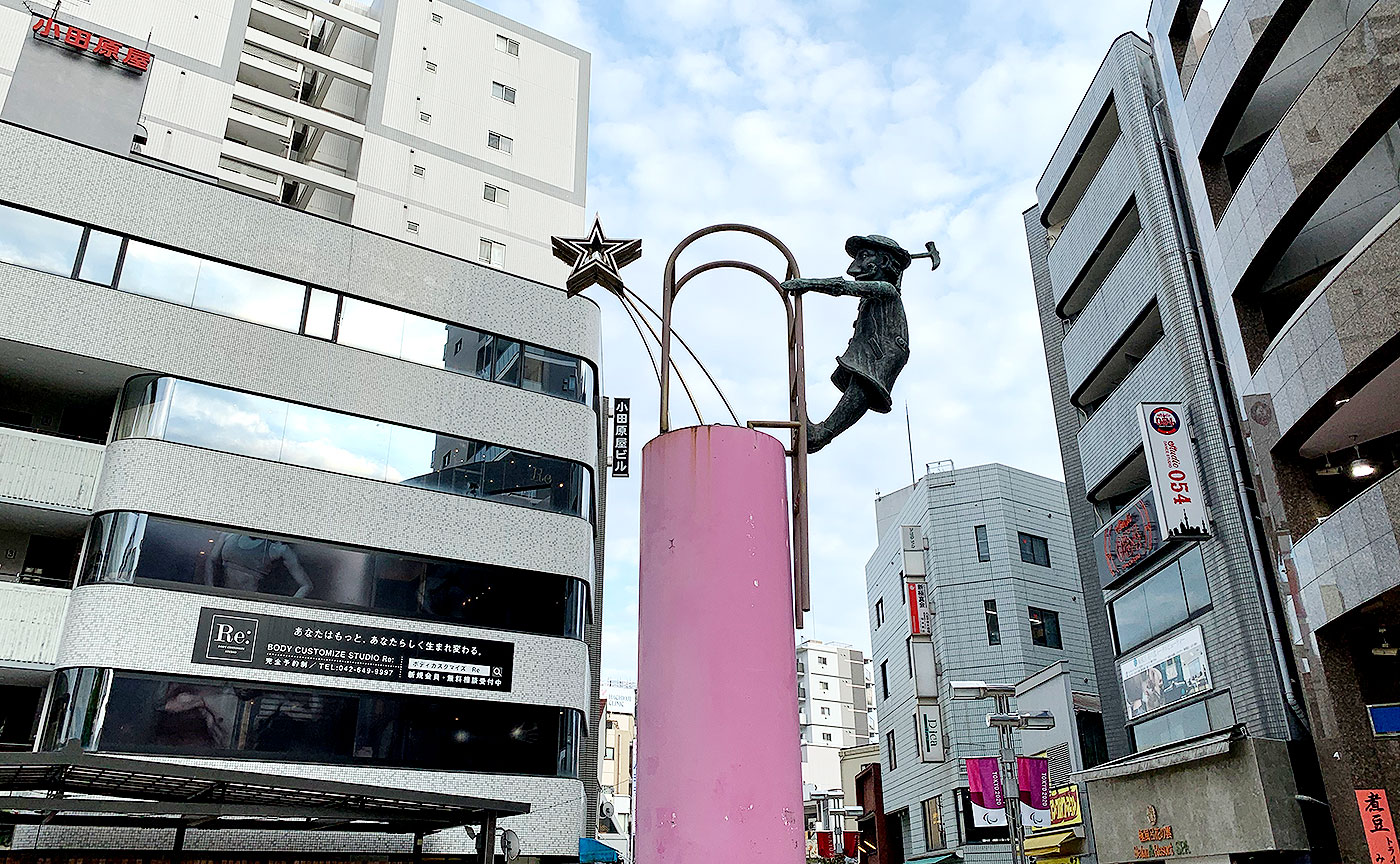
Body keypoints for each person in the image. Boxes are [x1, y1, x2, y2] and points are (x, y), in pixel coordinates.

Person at [783, 235, 927, 452]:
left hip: (883, 350)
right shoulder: (876, 296)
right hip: (875, 347)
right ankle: (822, 433)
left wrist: (808, 284)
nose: (854, 268)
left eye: (864, 256)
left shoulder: (886, 291)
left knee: (863, 385)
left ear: (885, 263)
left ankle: (823, 433)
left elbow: (843, 287)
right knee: (858, 386)